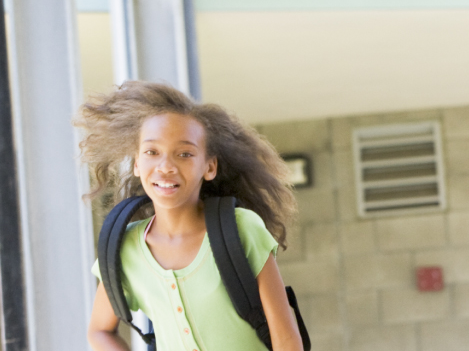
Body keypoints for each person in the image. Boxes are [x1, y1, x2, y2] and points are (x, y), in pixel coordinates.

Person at [82, 81, 305, 351]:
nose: (165, 166)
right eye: (152, 152)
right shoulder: (124, 249)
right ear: (137, 164)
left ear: (209, 167)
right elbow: (99, 331)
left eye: (185, 154)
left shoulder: (240, 229)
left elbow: (287, 341)